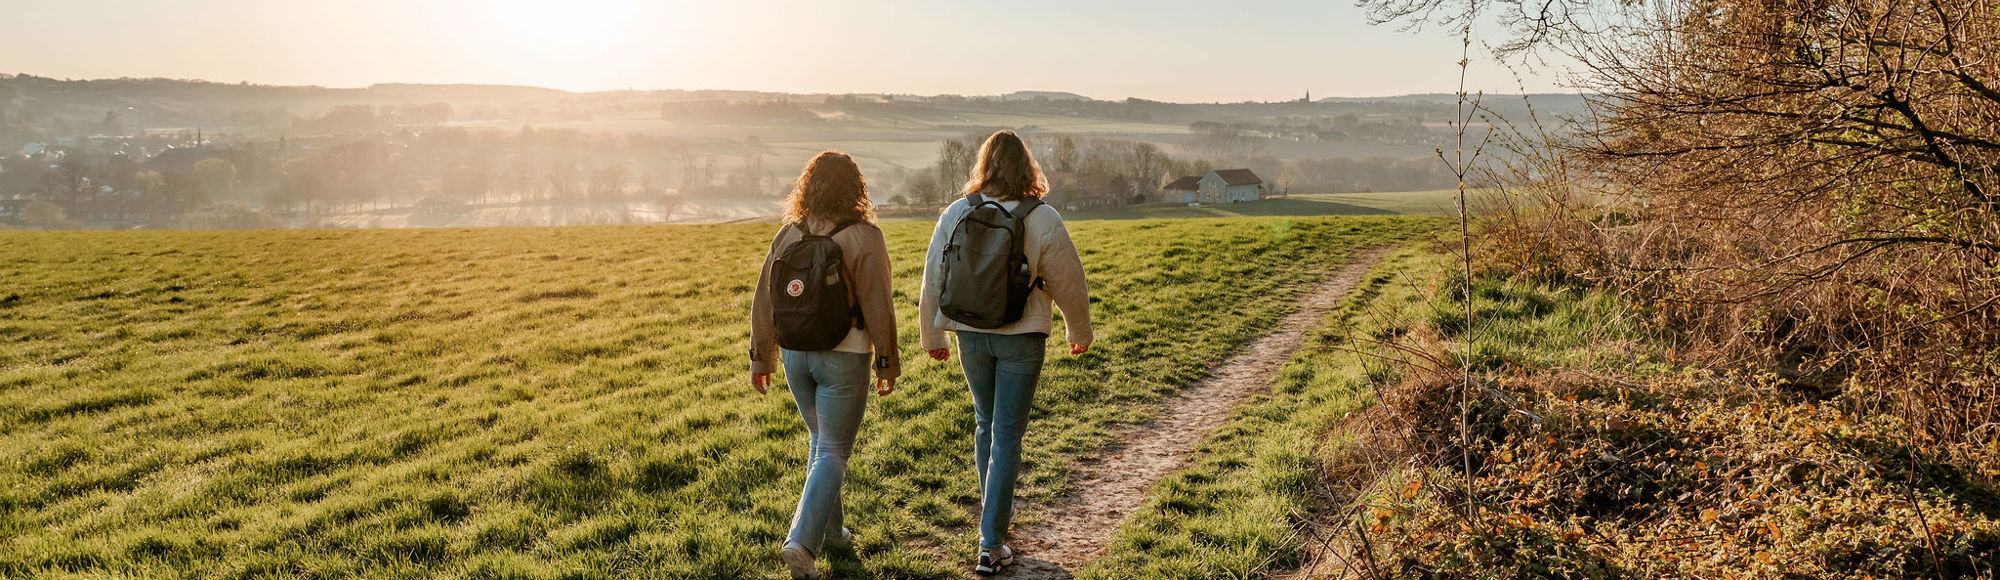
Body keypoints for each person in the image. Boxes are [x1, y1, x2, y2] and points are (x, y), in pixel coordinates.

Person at [918, 130, 1093, 575]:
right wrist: (1080, 329)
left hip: (968, 333)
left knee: (985, 423)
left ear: (985, 165)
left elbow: (934, 279)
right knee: (1007, 434)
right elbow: (1067, 280)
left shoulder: (958, 211)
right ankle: (991, 541)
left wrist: (932, 335)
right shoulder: (1042, 216)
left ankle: (991, 522)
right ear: (1026, 167)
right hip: (1022, 336)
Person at [749, 151, 900, 579]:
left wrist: (762, 356)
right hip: (845, 356)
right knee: (833, 449)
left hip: (796, 357)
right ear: (855, 188)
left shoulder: (788, 235)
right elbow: (879, 304)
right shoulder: (864, 236)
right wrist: (886, 362)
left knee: (821, 443)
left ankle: (832, 533)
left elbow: (764, 300)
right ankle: (801, 542)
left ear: (808, 187)